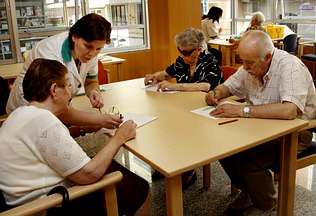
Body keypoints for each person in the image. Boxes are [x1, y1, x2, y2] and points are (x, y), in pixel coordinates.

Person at [0, 58, 150, 216]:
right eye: (67, 85)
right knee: (139, 187)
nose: (70, 93)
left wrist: (82, 129)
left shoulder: (20, 114)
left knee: (109, 164)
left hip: (18, 200)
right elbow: (89, 174)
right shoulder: (44, 121)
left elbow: (44, 144)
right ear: (54, 90)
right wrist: (120, 137)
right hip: (45, 206)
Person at [205, 30, 316, 214]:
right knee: (223, 148)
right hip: (259, 127)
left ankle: (265, 203)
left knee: (252, 160)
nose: (245, 67)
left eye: (249, 63)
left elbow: (289, 111)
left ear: (268, 57)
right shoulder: (250, 64)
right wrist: (216, 93)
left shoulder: (290, 67)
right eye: (242, 61)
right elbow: (229, 86)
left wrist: (243, 110)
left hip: (294, 133)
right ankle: (251, 190)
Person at [6, 13, 122, 131]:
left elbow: (91, 80)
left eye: (98, 49)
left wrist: (94, 91)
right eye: (88, 46)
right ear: (74, 37)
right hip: (27, 112)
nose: (92, 54)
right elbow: (55, 106)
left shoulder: (90, 51)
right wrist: (100, 120)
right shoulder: (49, 53)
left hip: (56, 111)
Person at [144, 27, 223, 93]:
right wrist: (155, 76)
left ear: (199, 49)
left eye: (186, 53)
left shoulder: (210, 61)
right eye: (180, 51)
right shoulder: (181, 61)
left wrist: (174, 86)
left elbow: (206, 86)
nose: (182, 55)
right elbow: (167, 74)